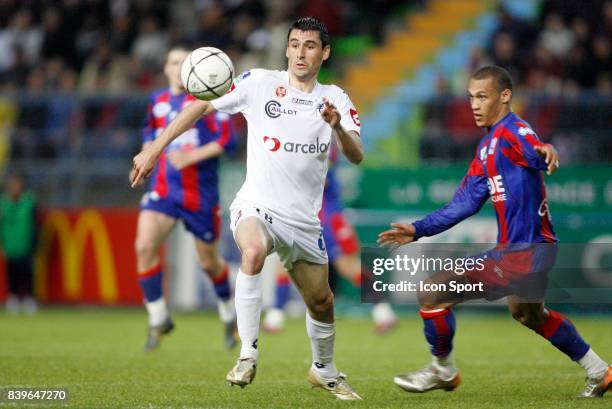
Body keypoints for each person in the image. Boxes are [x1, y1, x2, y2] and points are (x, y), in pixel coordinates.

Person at [131, 17, 363, 400]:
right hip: (256, 204)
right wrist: (156, 148)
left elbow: (356, 155)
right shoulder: (260, 83)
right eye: (294, 44)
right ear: (286, 48)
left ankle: (324, 369)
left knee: (321, 301)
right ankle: (247, 354)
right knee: (252, 252)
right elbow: (200, 105)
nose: (300, 52)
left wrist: (337, 128)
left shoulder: (335, 98)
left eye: (309, 46)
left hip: (303, 220)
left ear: (325, 52)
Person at [378, 65, 611, 398]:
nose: (474, 104)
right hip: (534, 250)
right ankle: (600, 371)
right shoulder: (487, 147)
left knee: (431, 293)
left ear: (505, 96)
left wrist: (547, 151)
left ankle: (442, 370)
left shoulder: (513, 131)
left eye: (482, 96)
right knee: (529, 314)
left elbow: (536, 147)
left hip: (521, 253)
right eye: (471, 97)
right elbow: (464, 204)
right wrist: (418, 229)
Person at [133, 46, 237, 352]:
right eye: (174, 62)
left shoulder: (209, 98)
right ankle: (159, 318)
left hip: (199, 194)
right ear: (166, 68)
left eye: (185, 62)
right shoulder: (158, 101)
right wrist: (145, 154)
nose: (179, 67)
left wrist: (193, 155)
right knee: (144, 246)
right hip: (164, 190)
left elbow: (227, 141)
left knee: (209, 262)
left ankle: (229, 314)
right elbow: (149, 135)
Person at [264, 142, 398, 334]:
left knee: (349, 267)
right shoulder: (295, 136)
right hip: (304, 215)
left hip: (329, 217)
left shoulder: (322, 139)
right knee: (285, 264)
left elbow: (320, 176)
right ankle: (274, 318)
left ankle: (383, 312)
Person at [0, 171, 38, 314]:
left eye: (17, 184)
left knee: (27, 273)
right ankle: (13, 298)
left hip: (26, 245)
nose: (14, 187)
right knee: (12, 273)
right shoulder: (3, 202)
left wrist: (34, 243)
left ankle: (29, 299)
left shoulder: (29, 202)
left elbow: (35, 225)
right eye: (12, 184)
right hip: (9, 245)